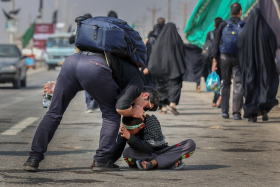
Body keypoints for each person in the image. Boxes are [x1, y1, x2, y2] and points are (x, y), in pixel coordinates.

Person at [23, 27, 159, 171]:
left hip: (71, 62)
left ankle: (33, 158)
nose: (143, 111)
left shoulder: (126, 81)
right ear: (145, 95)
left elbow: (89, 81)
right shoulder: (137, 83)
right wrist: (133, 112)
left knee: (53, 113)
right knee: (111, 115)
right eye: (146, 107)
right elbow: (120, 108)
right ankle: (101, 161)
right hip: (95, 65)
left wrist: (58, 86)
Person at [106, 115, 196, 170]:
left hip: (162, 151)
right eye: (125, 128)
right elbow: (118, 148)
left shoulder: (151, 122)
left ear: (141, 126)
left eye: (130, 129)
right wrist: (105, 162)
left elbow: (149, 148)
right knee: (127, 153)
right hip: (144, 155)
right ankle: (169, 161)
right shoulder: (127, 130)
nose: (127, 131)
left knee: (190, 144)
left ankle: (153, 163)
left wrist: (130, 137)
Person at [236, 8, 279, 122]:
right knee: (264, 88)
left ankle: (253, 115)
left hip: (249, 67)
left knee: (251, 88)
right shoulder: (267, 31)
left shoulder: (244, 33)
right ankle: (264, 110)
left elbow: (238, 47)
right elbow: (274, 45)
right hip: (265, 66)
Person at [212, 3, 245, 120]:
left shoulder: (223, 24)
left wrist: (214, 60)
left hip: (224, 58)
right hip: (239, 58)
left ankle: (225, 112)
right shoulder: (244, 24)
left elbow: (216, 43)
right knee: (238, 84)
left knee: (225, 83)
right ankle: (236, 113)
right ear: (240, 12)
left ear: (230, 12)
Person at [146, 23, 185, 115]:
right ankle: (172, 103)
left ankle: (163, 107)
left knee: (161, 87)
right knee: (175, 86)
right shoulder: (178, 39)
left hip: (160, 69)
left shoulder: (160, 40)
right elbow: (183, 53)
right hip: (175, 69)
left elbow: (154, 55)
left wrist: (150, 67)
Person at [204, 17, 223, 107]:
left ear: (214, 25)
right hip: (223, 58)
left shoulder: (210, 33)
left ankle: (216, 99)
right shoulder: (224, 33)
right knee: (222, 80)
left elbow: (206, 46)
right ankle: (217, 98)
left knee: (215, 80)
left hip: (212, 60)